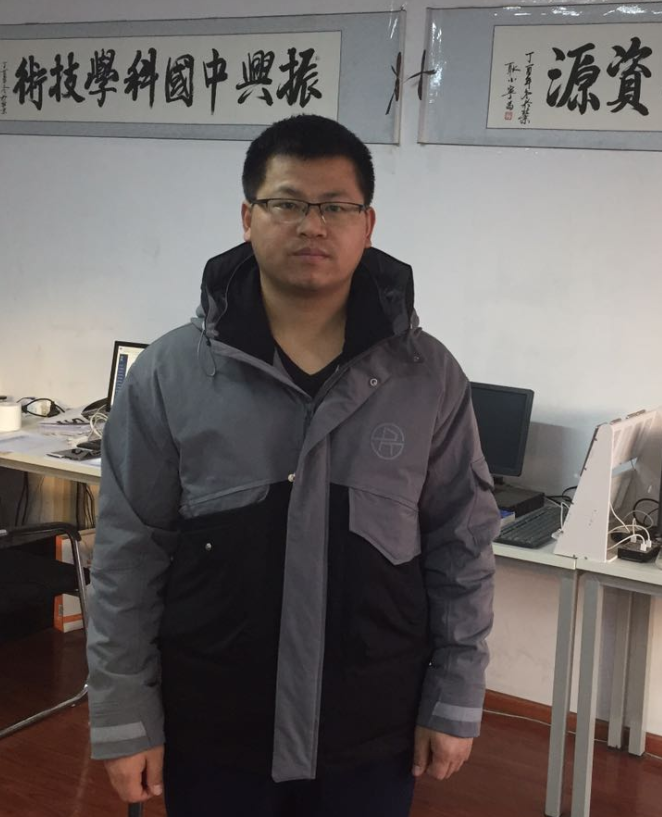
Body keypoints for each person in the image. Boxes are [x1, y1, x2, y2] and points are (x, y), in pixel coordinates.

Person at [86, 114, 500, 816]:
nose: (312, 225)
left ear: (367, 224)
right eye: (287, 203)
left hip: (372, 727)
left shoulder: (426, 375)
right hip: (214, 724)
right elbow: (129, 555)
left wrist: (456, 695)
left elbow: (462, 545)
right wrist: (124, 715)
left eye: (335, 207)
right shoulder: (171, 372)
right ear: (248, 217)